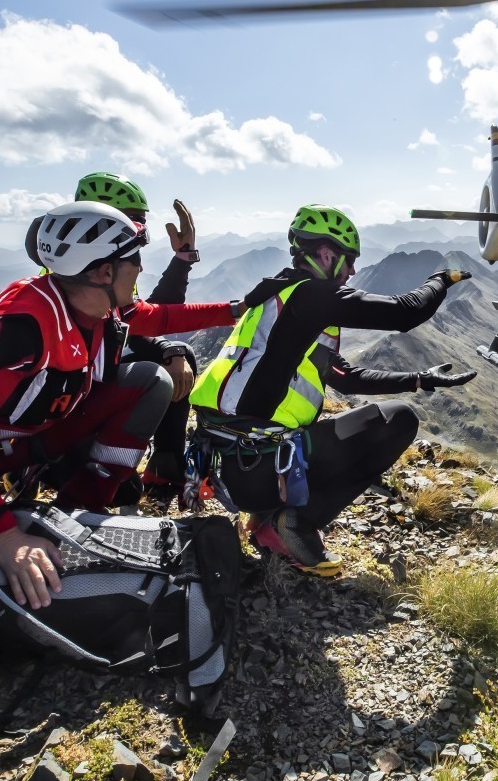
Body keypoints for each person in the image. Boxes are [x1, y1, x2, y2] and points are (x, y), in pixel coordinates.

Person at [0, 201, 243, 608]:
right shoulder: (20, 328)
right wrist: (5, 538)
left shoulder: (89, 301)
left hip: (24, 434)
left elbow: (153, 318)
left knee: (149, 381)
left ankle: (75, 514)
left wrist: (237, 310)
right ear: (103, 271)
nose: (141, 270)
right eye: (135, 260)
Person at [187, 203, 476, 576]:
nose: (353, 270)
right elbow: (405, 312)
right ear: (326, 254)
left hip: (225, 463)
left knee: (388, 414)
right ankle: (295, 526)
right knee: (398, 422)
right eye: (349, 260)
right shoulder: (311, 297)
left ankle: (266, 518)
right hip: (254, 466)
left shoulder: (277, 296)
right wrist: (441, 279)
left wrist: (419, 379)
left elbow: (343, 375)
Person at [70, 171, 201, 496]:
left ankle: (165, 471)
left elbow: (143, 319)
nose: (138, 236)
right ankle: (91, 465)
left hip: (86, 392)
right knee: (161, 364)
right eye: (131, 226)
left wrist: (182, 260)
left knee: (178, 353)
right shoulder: (81, 274)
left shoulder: (107, 263)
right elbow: (128, 330)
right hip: (70, 408)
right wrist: (168, 347)